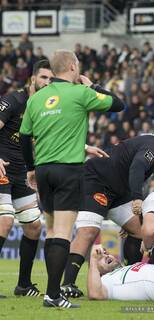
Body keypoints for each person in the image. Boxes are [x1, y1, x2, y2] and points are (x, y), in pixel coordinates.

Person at [19, 49, 124, 308]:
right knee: (63, 234)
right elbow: (118, 105)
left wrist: (31, 168)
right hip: (68, 170)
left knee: (52, 230)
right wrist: (94, 86)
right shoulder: (80, 92)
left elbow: (23, 137)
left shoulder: (37, 98)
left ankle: (51, 292)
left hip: (43, 171)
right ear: (73, 67)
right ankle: (53, 295)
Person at [62, 124, 154, 297]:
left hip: (117, 191)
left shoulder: (152, 143)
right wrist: (137, 198)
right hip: (97, 181)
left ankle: (125, 275)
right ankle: (67, 284)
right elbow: (137, 167)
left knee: (141, 232)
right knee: (89, 231)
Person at [0, 60, 53, 298]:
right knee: (5, 222)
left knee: (33, 226)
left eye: (51, 79)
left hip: (22, 175)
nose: (47, 83)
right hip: (1, 169)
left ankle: (23, 285)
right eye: (43, 78)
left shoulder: (46, 108)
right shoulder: (13, 100)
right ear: (33, 78)